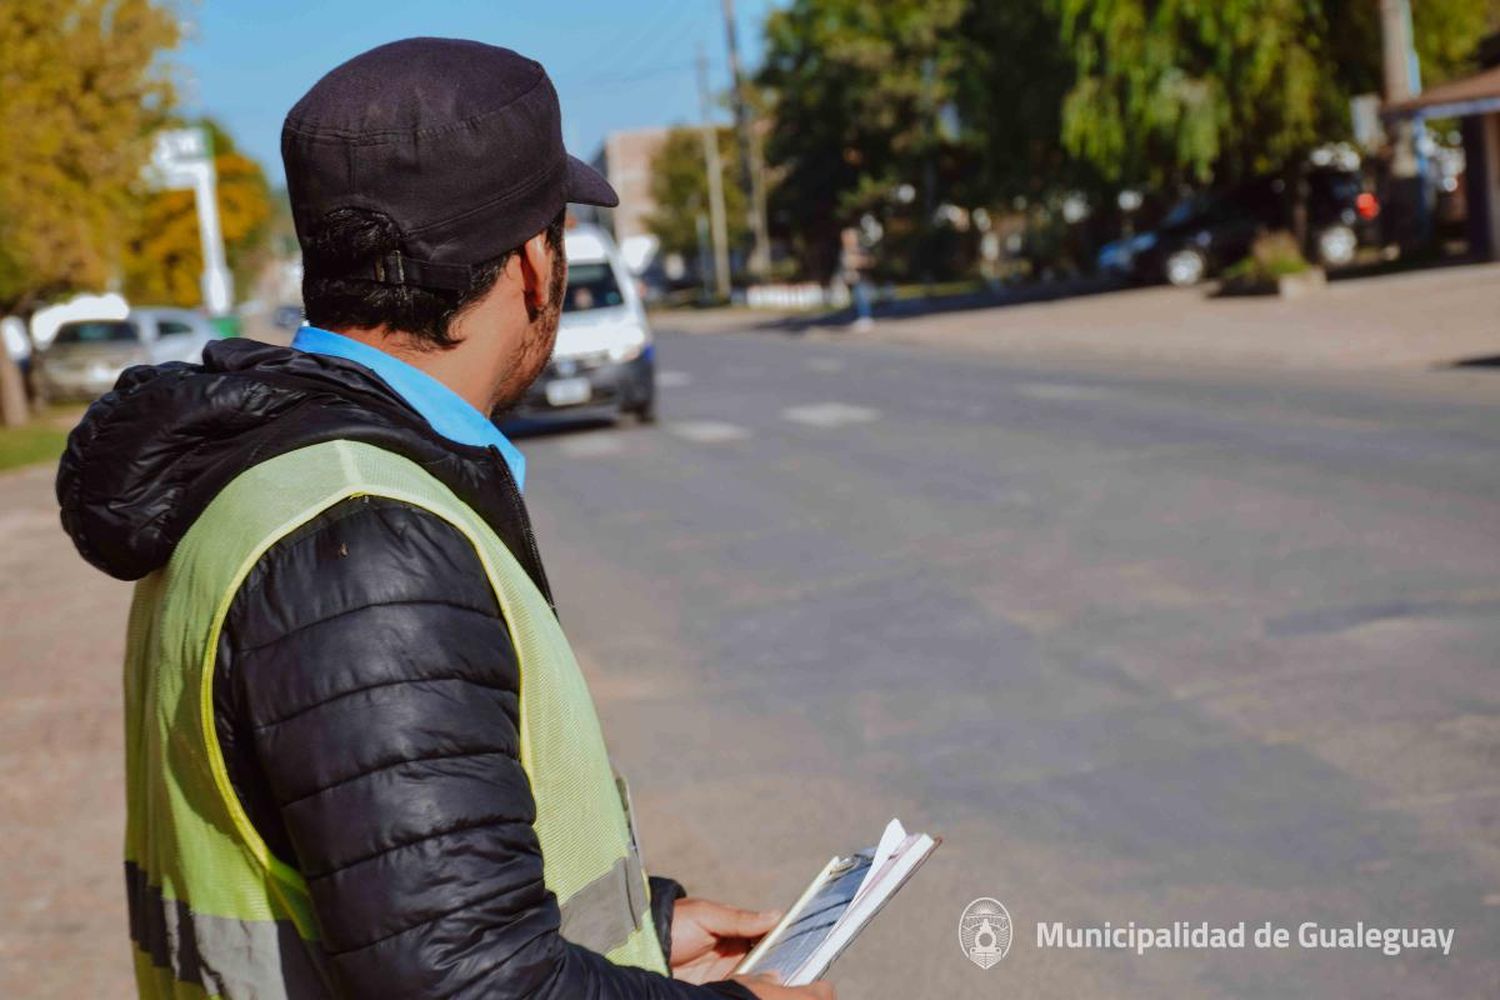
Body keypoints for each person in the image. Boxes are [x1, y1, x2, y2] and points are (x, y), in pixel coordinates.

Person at [57, 38, 831, 1000]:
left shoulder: (267, 477)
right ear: (532, 268)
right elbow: (465, 984)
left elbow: (386, 888)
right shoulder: (365, 543)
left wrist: (641, 929)